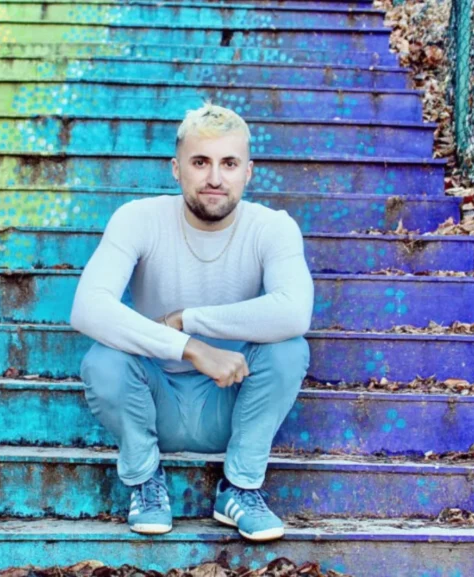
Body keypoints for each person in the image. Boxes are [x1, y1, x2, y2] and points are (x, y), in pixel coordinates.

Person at [70, 103, 313, 542]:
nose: (215, 178)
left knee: (289, 347)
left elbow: (294, 311)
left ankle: (239, 488)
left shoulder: (273, 228)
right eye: (200, 162)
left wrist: (191, 319)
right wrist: (189, 346)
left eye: (229, 164)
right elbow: (87, 306)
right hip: (153, 395)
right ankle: (145, 481)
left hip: (230, 399)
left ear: (249, 172)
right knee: (103, 359)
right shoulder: (138, 219)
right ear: (176, 168)